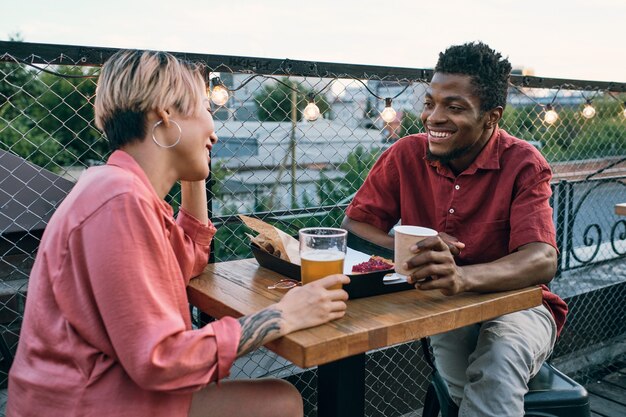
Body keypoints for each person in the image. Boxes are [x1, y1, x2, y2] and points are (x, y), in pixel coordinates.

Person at [7, 50, 350, 417]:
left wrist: (191, 168)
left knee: (279, 400)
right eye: (205, 109)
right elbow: (159, 360)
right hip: (90, 402)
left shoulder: (122, 188)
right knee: (278, 403)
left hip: (107, 389)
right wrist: (282, 316)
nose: (214, 132)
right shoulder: (120, 200)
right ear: (165, 115)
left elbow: (187, 256)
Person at [342, 42, 567, 416]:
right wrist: (416, 248)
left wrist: (461, 277)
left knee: (499, 359)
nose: (433, 117)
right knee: (472, 390)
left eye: (454, 107)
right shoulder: (404, 154)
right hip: (443, 305)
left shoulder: (525, 163)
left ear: (491, 117)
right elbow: (355, 227)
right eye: (430, 102)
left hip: (521, 306)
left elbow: (542, 259)